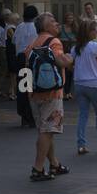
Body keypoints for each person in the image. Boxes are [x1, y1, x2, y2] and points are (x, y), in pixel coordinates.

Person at [25, 12, 73, 181]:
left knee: (46, 130)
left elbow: (26, 68)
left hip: (34, 93)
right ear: (45, 26)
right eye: (52, 21)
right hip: (52, 93)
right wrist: (69, 58)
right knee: (47, 131)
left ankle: (54, 163)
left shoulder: (31, 44)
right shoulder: (54, 42)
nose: (56, 23)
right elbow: (62, 62)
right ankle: (37, 169)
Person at [72, 19, 97, 155]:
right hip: (94, 84)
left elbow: (71, 64)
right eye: (94, 30)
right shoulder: (94, 46)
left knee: (83, 114)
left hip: (79, 84)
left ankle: (81, 145)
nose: (96, 32)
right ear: (89, 32)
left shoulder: (75, 48)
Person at [13, 5, 40, 128]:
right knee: (33, 88)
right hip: (32, 58)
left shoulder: (19, 27)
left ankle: (24, 116)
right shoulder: (37, 27)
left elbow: (14, 41)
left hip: (20, 59)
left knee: (23, 87)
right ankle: (32, 116)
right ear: (35, 16)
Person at [59, 11, 78, 100]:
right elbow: (56, 37)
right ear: (65, 19)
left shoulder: (75, 28)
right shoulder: (60, 27)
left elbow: (79, 39)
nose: (70, 20)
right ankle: (63, 91)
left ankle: (68, 91)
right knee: (63, 71)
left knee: (70, 72)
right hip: (63, 51)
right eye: (68, 18)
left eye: (71, 18)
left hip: (72, 52)